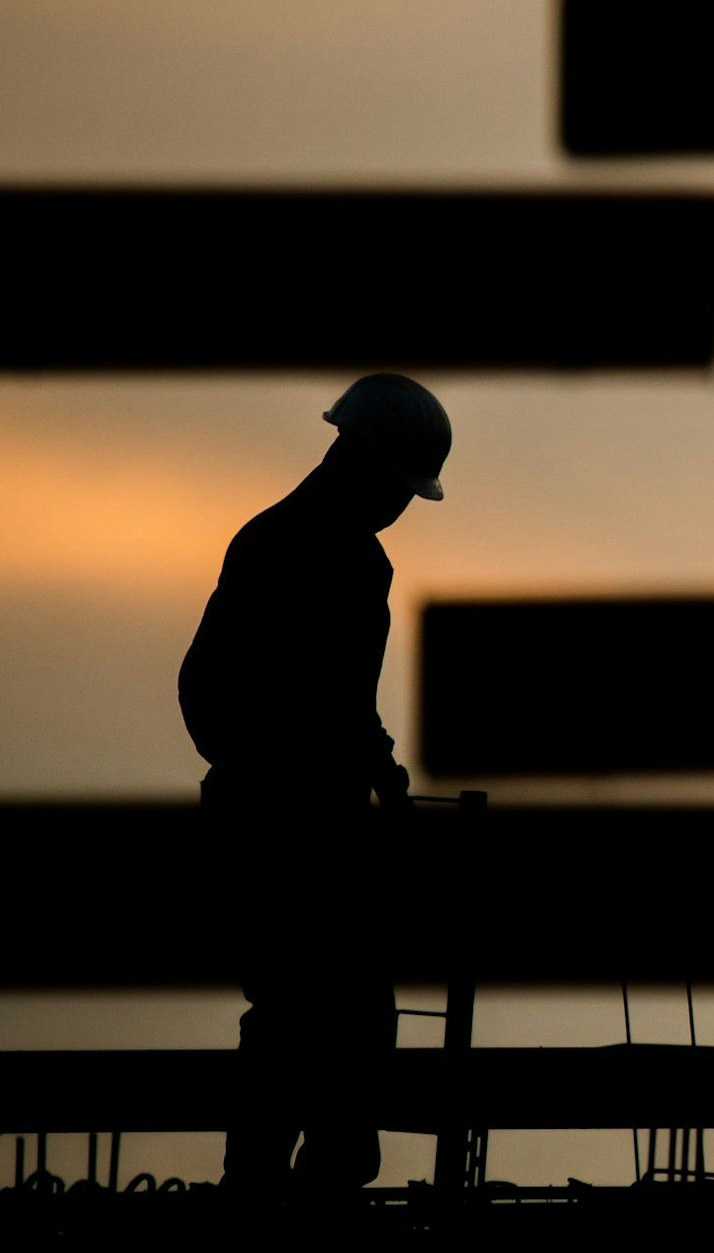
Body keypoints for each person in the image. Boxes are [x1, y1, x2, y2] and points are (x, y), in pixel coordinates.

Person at [178, 373, 451, 1192]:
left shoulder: (286, 544)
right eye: (401, 488)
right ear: (363, 462)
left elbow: (332, 704)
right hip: (288, 832)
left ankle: (277, 1187)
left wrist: (371, 770)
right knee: (329, 1016)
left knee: (304, 1016)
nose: (401, 506)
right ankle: (297, 1191)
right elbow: (296, 702)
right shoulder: (323, 559)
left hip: (283, 822)